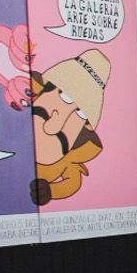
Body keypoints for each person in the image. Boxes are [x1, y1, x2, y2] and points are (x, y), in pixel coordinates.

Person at [29, 49, 110, 205]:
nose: (53, 127)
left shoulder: (67, 161)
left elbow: (71, 183)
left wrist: (51, 191)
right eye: (63, 96)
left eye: (80, 113)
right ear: (41, 91)